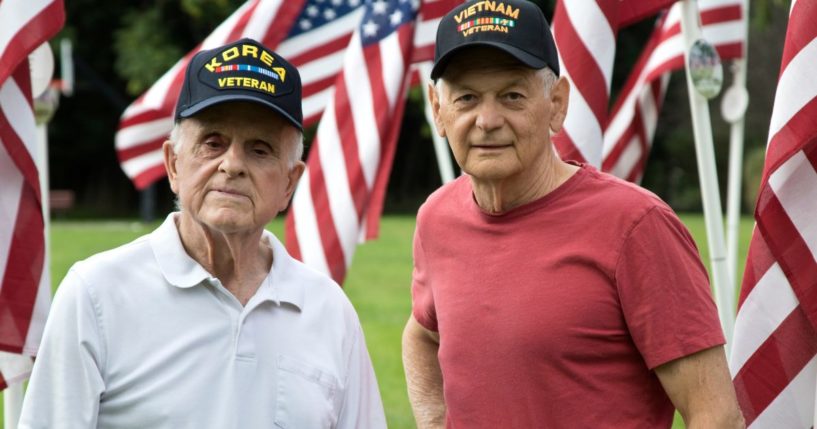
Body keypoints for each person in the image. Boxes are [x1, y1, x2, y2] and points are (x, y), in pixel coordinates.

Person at [402, 1, 745, 427]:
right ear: (438, 110)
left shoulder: (637, 226)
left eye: (512, 95)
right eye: (467, 98)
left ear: (558, 104)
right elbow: (421, 335)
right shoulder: (436, 218)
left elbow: (716, 415)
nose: (487, 120)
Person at [20, 38, 386, 429]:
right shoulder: (95, 295)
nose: (232, 164)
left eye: (259, 149)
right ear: (173, 165)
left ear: (289, 184)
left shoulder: (328, 311)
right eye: (213, 143)